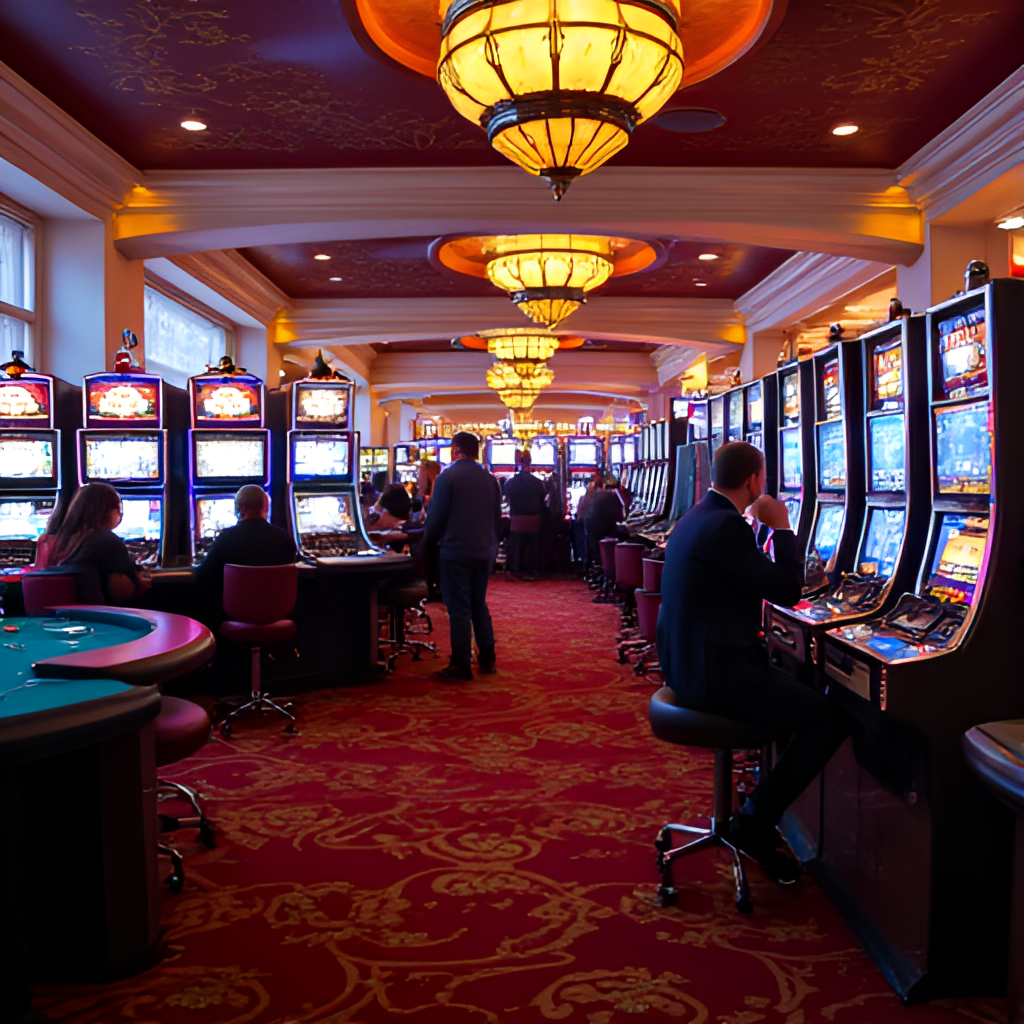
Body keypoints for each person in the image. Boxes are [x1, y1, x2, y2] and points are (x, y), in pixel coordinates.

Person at [656, 441, 851, 884]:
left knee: (793, 686)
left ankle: (764, 803)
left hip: (688, 666)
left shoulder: (697, 518)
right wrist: (782, 527)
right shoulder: (727, 527)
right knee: (829, 720)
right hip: (719, 676)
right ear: (754, 480)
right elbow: (786, 589)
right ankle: (754, 822)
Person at [424, 431, 501, 681]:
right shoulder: (490, 479)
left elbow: (436, 519)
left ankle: (460, 664)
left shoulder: (448, 476)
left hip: (456, 550)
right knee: (478, 603)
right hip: (485, 550)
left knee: (458, 607)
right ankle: (487, 657)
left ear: (455, 450)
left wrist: (425, 544)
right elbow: (497, 519)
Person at [194, 484, 296, 616]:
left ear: (238, 509)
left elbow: (203, 575)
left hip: (234, 617)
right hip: (278, 615)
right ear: (266, 507)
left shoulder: (226, 539)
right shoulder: (285, 539)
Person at [47, 482, 151, 605]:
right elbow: (124, 594)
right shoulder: (106, 541)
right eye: (118, 507)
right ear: (109, 509)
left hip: (74, 616)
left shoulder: (66, 540)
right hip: (106, 618)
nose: (120, 513)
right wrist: (141, 582)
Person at [503, 450, 547, 576]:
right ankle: (531, 567)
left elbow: (506, 498)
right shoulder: (538, 482)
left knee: (515, 540)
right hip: (534, 519)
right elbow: (543, 499)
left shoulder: (511, 482)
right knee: (531, 541)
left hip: (517, 519)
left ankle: (515, 567)